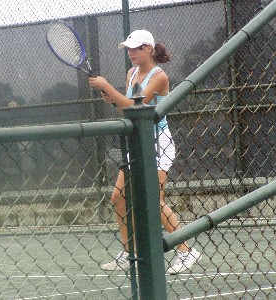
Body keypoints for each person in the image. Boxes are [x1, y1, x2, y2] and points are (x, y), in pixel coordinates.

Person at [88, 29, 202, 275]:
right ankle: (130, 253)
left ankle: (185, 251)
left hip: (159, 143)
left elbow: (134, 105)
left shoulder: (159, 77)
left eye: (137, 48)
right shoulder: (130, 75)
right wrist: (113, 100)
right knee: (118, 198)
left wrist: (107, 86)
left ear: (149, 48)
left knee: (154, 200)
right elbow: (128, 112)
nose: (131, 53)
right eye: (129, 48)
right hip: (138, 142)